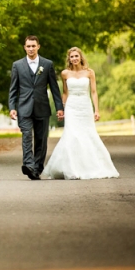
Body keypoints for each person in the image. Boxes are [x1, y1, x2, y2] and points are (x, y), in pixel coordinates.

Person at [42, 47, 120, 180]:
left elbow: (94, 92)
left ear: (81, 57)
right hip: (71, 107)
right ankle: (72, 169)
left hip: (85, 106)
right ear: (69, 59)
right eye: (72, 57)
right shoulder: (65, 73)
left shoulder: (89, 73)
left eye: (76, 56)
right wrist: (61, 109)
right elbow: (65, 92)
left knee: (88, 134)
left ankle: (91, 167)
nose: (74, 59)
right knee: (72, 135)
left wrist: (96, 110)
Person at [8, 35, 64, 180]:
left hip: (42, 107)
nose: (31, 49)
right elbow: (13, 89)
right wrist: (12, 107)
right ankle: (28, 165)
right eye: (28, 46)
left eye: (33, 46)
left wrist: (59, 107)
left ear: (38, 46)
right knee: (26, 136)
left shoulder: (47, 64)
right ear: (24, 47)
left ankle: (37, 168)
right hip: (24, 108)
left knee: (41, 139)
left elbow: (54, 87)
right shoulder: (17, 65)